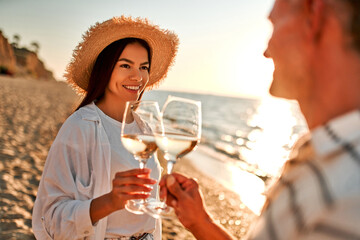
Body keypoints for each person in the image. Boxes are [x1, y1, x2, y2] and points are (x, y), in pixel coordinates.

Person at [160, 0, 360, 239]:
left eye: (275, 25)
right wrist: (200, 221)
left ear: (313, 17)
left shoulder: (347, 201)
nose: (267, 51)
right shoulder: (319, 151)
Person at [32, 16, 179, 240]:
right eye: (125, 65)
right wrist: (109, 201)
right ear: (106, 68)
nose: (137, 76)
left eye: (143, 67)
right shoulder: (80, 126)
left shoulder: (145, 129)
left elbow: (150, 211)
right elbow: (50, 218)